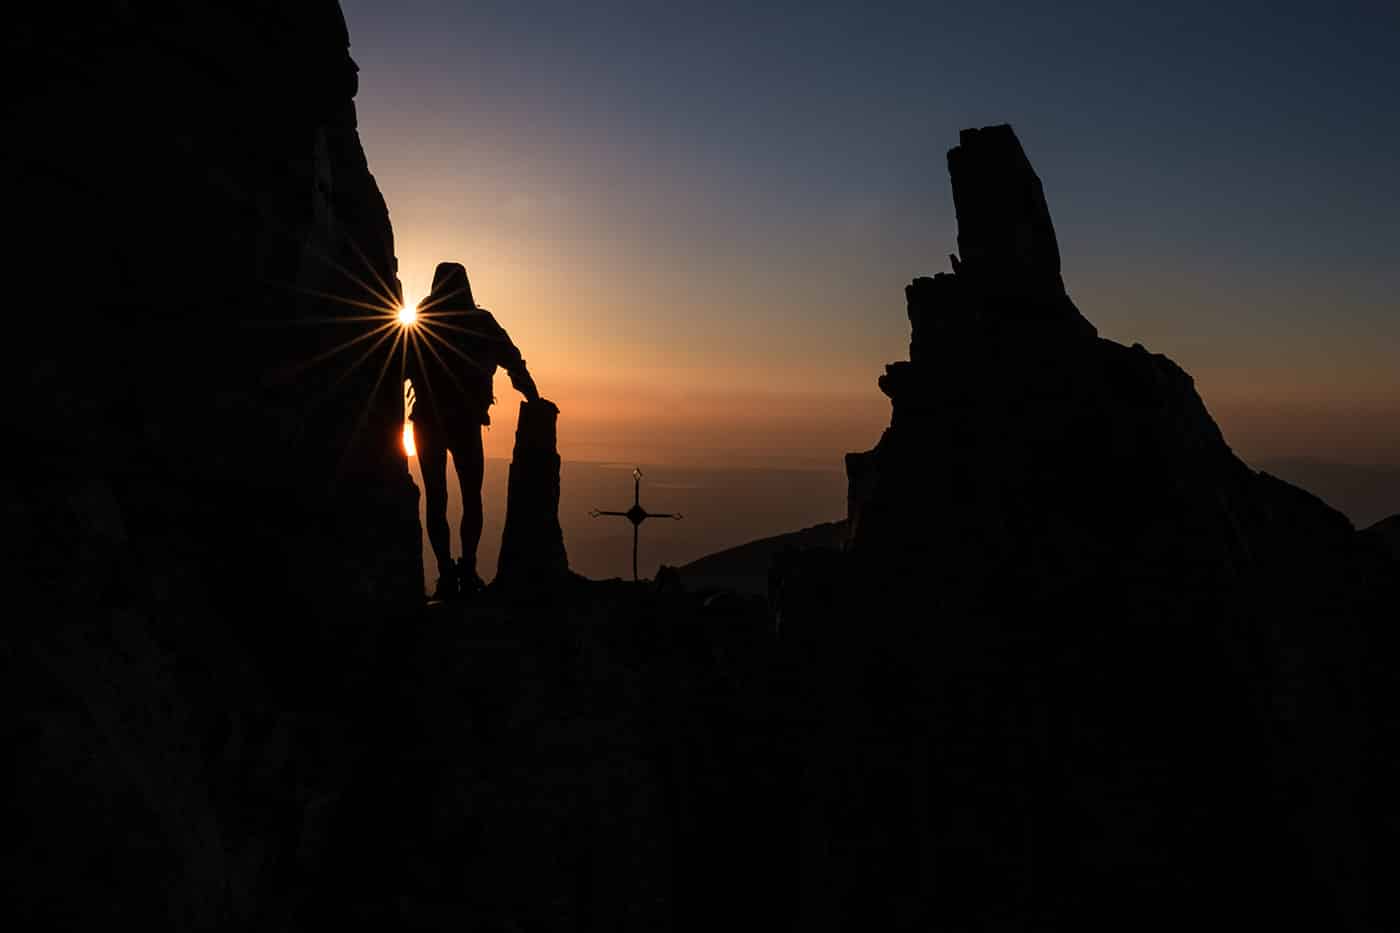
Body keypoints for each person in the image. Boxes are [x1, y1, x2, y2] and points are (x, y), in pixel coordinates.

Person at [408, 261, 539, 600]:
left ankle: (447, 573)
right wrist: (534, 398)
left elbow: (400, 368)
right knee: (471, 498)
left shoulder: (421, 322)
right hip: (464, 423)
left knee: (437, 499)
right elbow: (513, 360)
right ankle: (467, 568)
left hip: (427, 422)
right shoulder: (481, 322)